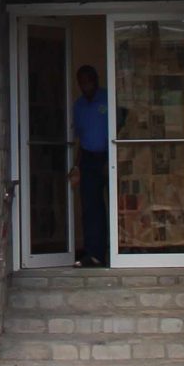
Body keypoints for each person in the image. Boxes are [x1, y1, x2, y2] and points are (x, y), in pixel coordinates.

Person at [69, 64, 110, 268]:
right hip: (88, 158)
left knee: (114, 205)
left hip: (109, 156)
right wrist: (76, 166)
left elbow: (121, 128)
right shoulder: (78, 106)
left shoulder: (108, 99)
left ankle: (121, 251)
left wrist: (114, 158)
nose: (85, 85)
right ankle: (94, 253)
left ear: (96, 80)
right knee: (91, 208)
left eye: (88, 80)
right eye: (81, 82)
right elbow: (78, 138)